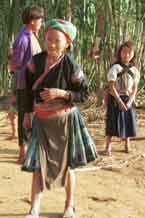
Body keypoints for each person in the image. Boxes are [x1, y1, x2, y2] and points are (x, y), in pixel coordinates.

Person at [22, 19, 98, 218]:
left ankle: (69, 206)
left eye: (57, 40)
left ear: (67, 43)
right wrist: (27, 114)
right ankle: (34, 209)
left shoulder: (72, 67)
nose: (51, 44)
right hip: (41, 121)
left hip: (65, 122)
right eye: (48, 39)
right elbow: (25, 91)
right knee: (38, 166)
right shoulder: (35, 62)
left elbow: (84, 94)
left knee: (68, 166)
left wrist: (62, 93)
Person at [9, 5, 44, 163]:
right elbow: (15, 64)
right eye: (40, 19)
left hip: (32, 83)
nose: (41, 22)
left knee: (31, 115)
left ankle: (29, 150)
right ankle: (22, 152)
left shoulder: (32, 35)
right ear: (32, 21)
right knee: (24, 115)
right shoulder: (23, 39)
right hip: (25, 84)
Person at [105, 41, 140, 156]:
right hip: (115, 98)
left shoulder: (135, 70)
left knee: (128, 121)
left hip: (128, 99)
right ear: (120, 53)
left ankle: (127, 144)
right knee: (112, 121)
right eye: (124, 52)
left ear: (133, 54)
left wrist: (130, 101)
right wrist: (119, 100)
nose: (127, 55)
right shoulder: (115, 68)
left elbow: (135, 88)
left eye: (130, 52)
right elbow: (111, 85)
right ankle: (108, 146)